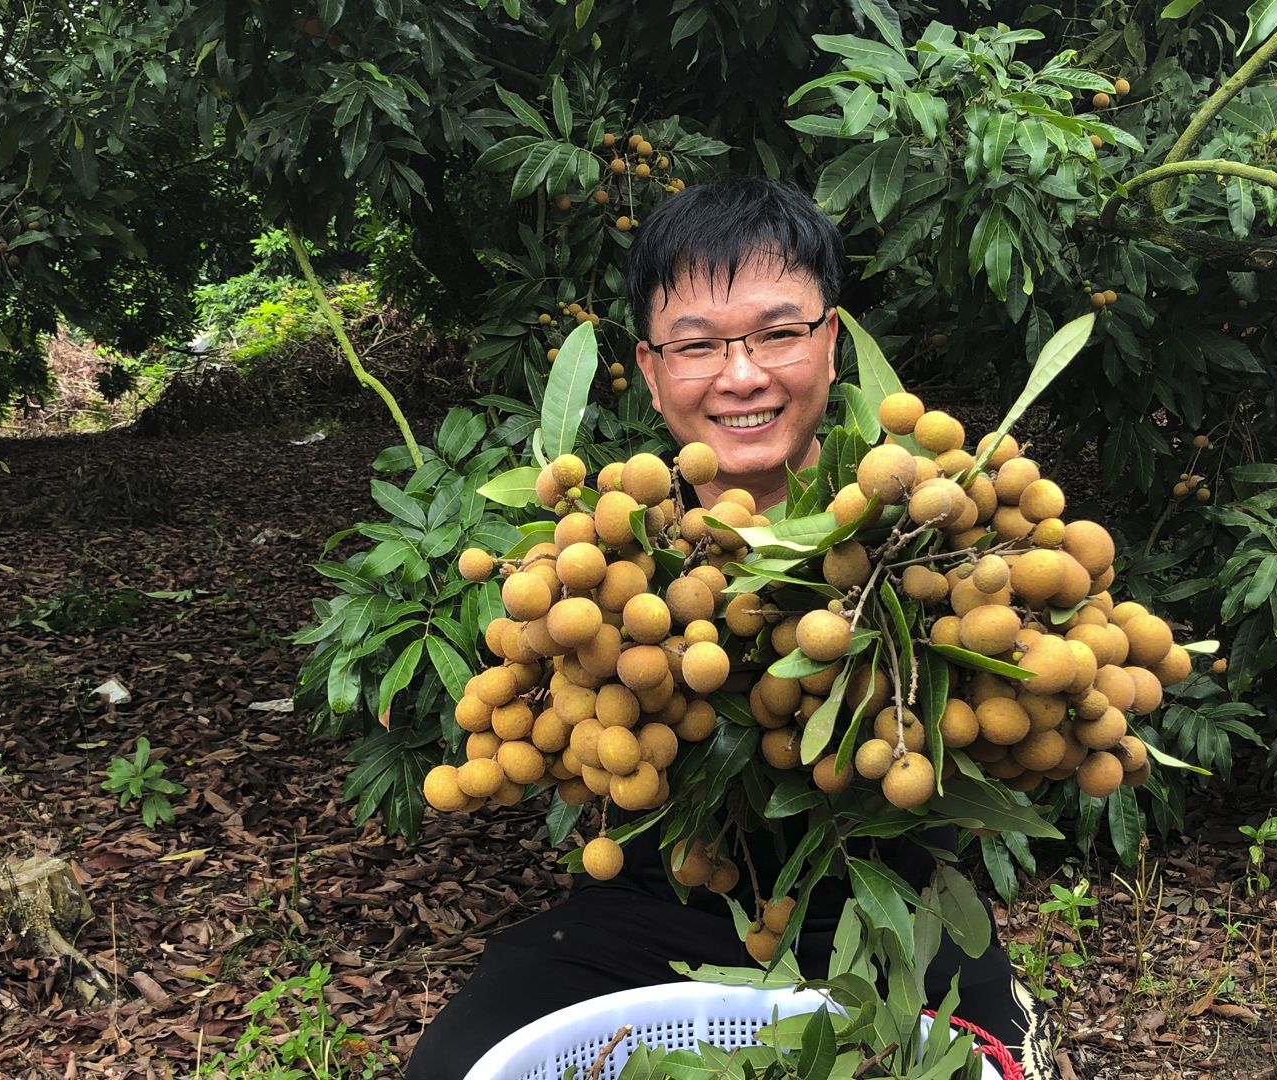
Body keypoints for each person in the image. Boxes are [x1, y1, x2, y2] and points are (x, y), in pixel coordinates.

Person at [404, 178, 1054, 1079]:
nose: (741, 375)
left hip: (890, 904)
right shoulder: (609, 548)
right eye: (697, 345)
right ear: (650, 367)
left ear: (831, 344)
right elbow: (559, 749)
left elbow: (1041, 710)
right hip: (646, 912)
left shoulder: (933, 530)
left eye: (778, 333)